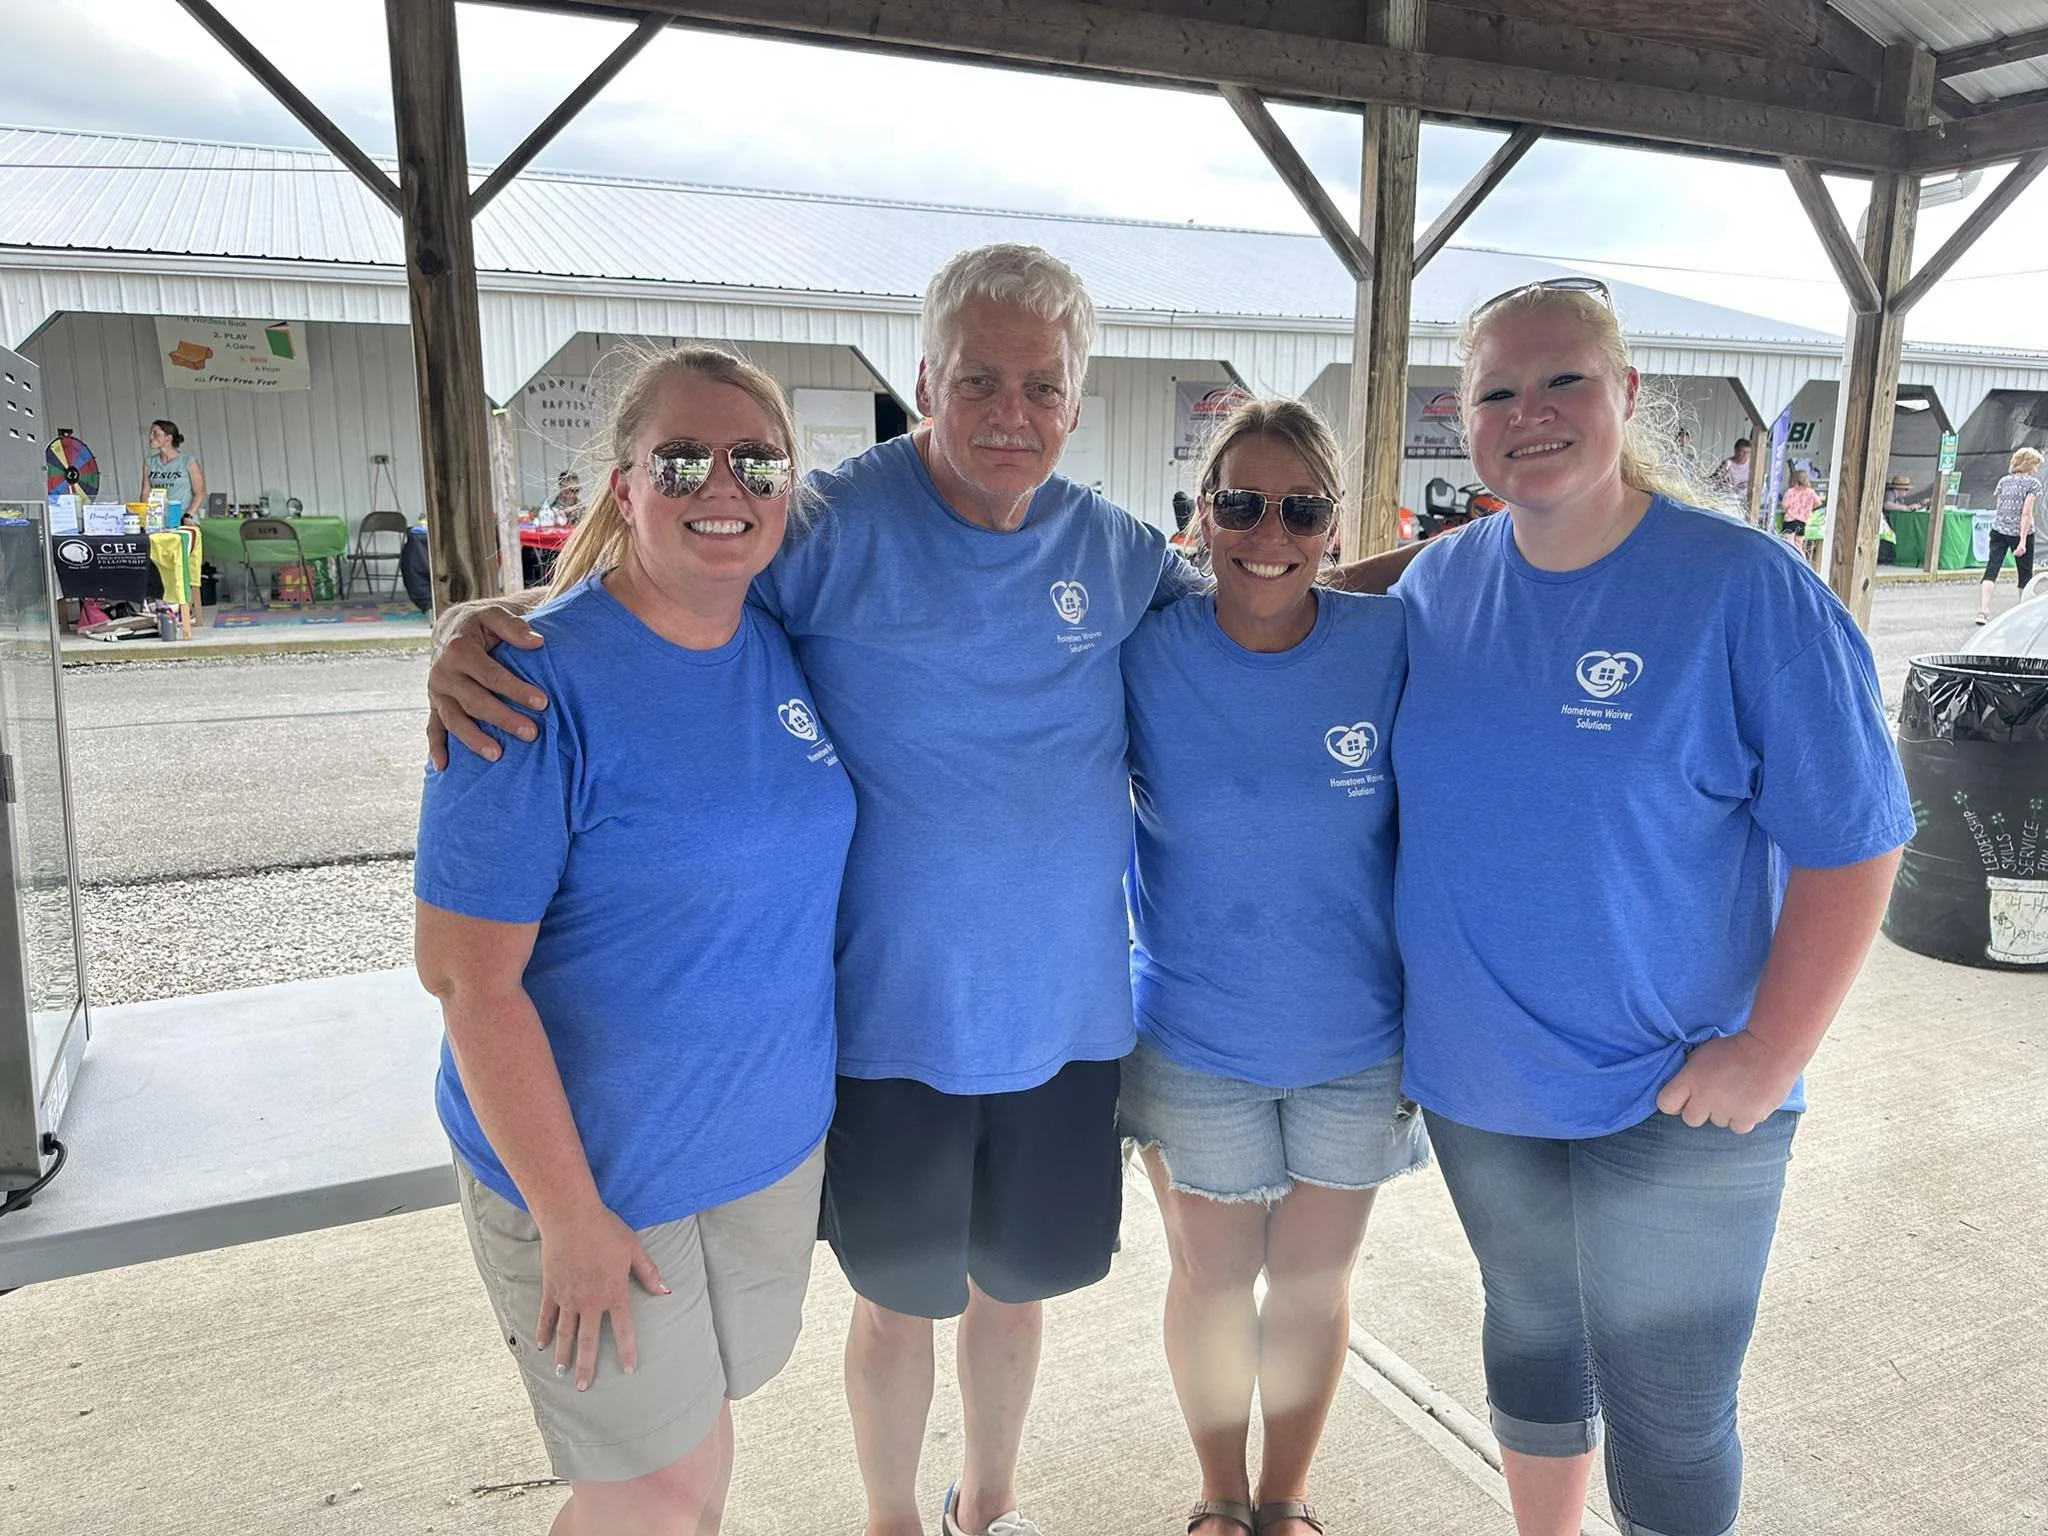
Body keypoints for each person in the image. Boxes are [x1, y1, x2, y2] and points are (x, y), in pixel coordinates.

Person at [424, 245, 1420, 1536]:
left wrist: (1476, 565)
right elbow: (666, 580)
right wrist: (480, 623)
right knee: (896, 1308)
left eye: (1043, 387)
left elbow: (1266, 597)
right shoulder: (831, 525)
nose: (1012, 414)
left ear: (1077, 399)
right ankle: (893, 1518)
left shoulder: (1113, 552)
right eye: (980, 380)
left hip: (1064, 1022)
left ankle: (984, 1507)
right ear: (924, 382)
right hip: (889, 1022)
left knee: (1016, 1299)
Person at [1390, 276, 1914, 1536]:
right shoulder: (1434, 590)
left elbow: (1855, 842)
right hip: (1484, 1085)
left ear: (1625, 394)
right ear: (1462, 424)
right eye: (1495, 392)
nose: (1531, 413)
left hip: (1678, 1093)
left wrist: (1767, 1054)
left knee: (1668, 1414)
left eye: (1562, 378)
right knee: (1528, 1338)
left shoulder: (1744, 590)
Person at [413, 345, 855, 1535]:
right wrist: (568, 1219)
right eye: (682, 458)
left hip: (756, 1158)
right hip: (601, 1181)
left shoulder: (778, 633)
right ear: (623, 487)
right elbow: (465, 979)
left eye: (756, 460)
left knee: (696, 1457)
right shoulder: (525, 681)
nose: (724, 483)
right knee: (649, 1491)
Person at [1120, 398, 1423, 1536]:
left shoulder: (1388, 643)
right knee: (1207, 1282)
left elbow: (1498, 561)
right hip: (1197, 1038)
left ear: (1335, 525)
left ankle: (1285, 1498)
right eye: (1238, 503)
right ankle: (1217, 1497)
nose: (1267, 533)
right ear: (1198, 515)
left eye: (1300, 509)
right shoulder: (1142, 646)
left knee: (1309, 1288)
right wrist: (531, 613)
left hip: (1357, 1038)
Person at [1979, 446, 2040, 624]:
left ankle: (1982, 610)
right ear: (2029, 465)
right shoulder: (2033, 484)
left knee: (1992, 569)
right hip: (2021, 532)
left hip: (1999, 530)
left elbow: (2000, 508)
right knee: (2024, 573)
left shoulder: (2004, 481)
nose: (2037, 469)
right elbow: (2026, 513)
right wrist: (2022, 541)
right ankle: (2024, 613)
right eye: (2036, 465)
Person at [140, 419, 204, 521]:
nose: (150, 437)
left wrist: (188, 515)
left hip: (183, 518)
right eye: (150, 433)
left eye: (155, 434)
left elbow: (199, 492)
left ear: (168, 438)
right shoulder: (149, 462)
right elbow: (145, 492)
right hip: (158, 519)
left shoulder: (188, 461)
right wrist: (145, 516)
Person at [1778, 465, 1820, 555]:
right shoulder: (1810, 492)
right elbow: (1818, 502)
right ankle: (1802, 560)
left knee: (1789, 544)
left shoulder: (1791, 491)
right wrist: (1808, 508)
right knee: (1799, 545)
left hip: (1790, 520)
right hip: (1802, 520)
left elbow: (1784, 505)